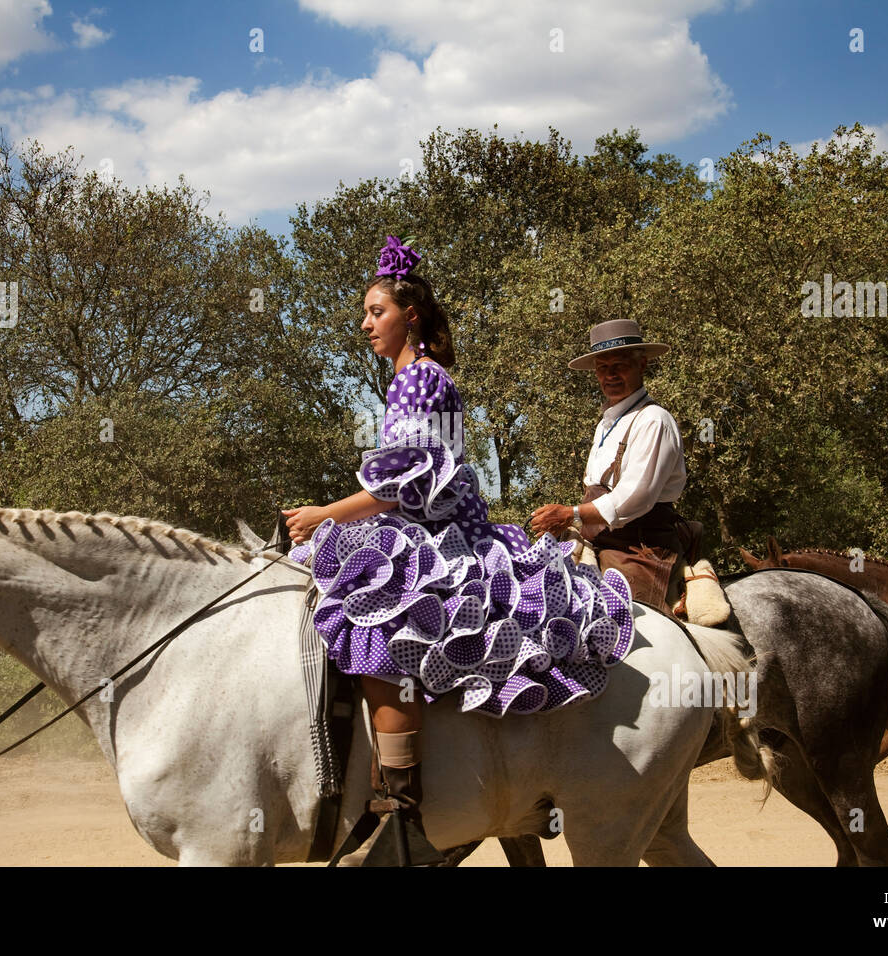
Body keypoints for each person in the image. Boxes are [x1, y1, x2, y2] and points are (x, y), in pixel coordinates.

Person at [283, 237, 635, 858]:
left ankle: (401, 813)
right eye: (365, 314)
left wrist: (322, 515)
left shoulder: (420, 379)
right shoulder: (409, 380)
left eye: (377, 312)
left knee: (375, 635)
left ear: (409, 315)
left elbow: (399, 485)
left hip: (438, 538)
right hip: (424, 529)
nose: (366, 324)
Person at [529, 318, 690, 611]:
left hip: (640, 549)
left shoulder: (653, 420)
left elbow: (634, 498)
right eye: (603, 367)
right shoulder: (607, 424)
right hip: (601, 541)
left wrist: (570, 515)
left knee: (614, 617)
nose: (610, 375)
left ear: (642, 365)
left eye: (620, 365)